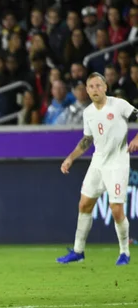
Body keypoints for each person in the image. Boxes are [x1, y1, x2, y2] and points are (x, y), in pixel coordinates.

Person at [57, 73, 138, 266]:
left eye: (98, 85)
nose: (95, 89)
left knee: (116, 209)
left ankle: (124, 253)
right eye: (91, 86)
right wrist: (70, 158)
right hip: (98, 162)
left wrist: (136, 139)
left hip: (117, 162)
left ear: (105, 87)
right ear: (86, 90)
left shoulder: (119, 105)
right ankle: (78, 251)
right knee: (84, 204)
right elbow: (87, 140)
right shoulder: (88, 113)